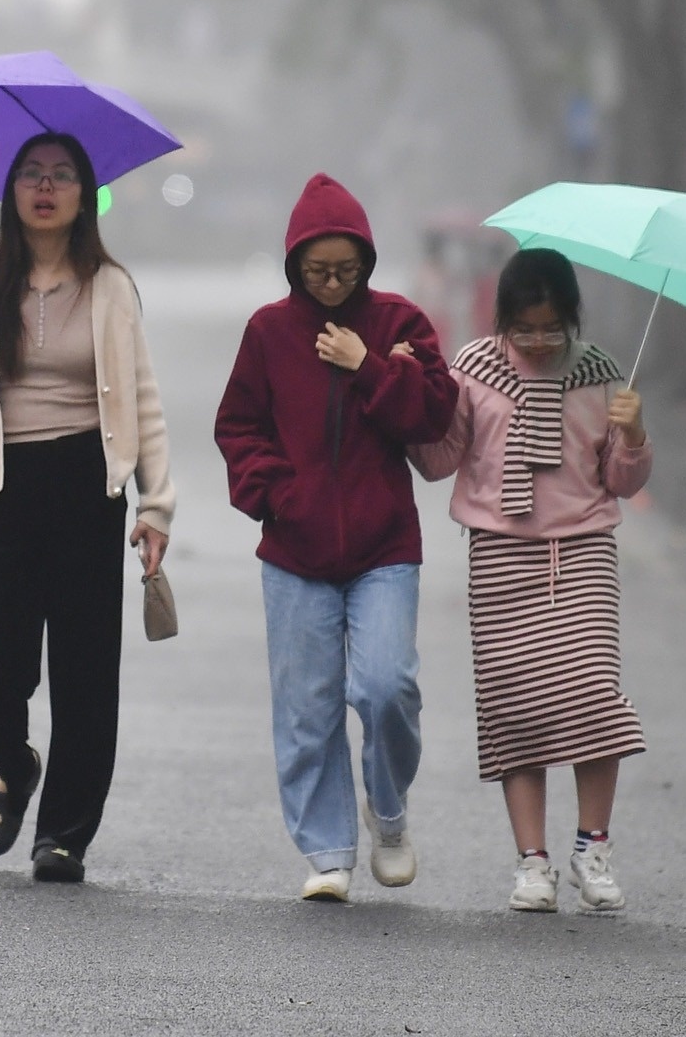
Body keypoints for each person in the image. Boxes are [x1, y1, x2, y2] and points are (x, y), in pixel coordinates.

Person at [0, 132, 173, 884]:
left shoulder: (110, 286)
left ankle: (64, 834)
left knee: (85, 672)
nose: (46, 186)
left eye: (63, 174)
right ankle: (14, 760)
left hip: (86, 484)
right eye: (31, 173)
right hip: (0, 488)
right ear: (10, 191)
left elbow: (143, 400)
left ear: (83, 193)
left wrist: (155, 505)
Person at [215, 173, 459, 903]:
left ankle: (388, 813)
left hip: (385, 548)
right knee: (306, 708)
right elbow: (238, 428)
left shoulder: (399, 323)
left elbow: (433, 416)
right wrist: (276, 496)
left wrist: (370, 366)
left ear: (366, 263)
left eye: (344, 271)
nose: (329, 284)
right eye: (316, 271)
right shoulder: (267, 332)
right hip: (295, 552)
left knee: (387, 688)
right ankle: (326, 849)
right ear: (294, 264)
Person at [407, 247, 651, 915]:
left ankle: (592, 847)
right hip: (500, 557)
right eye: (526, 328)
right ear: (503, 319)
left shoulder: (601, 375)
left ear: (571, 319)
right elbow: (441, 457)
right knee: (516, 708)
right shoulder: (474, 370)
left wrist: (633, 434)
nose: (540, 342)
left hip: (583, 554)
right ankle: (532, 862)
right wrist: (407, 405)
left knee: (595, 698)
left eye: (552, 328)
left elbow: (620, 482)